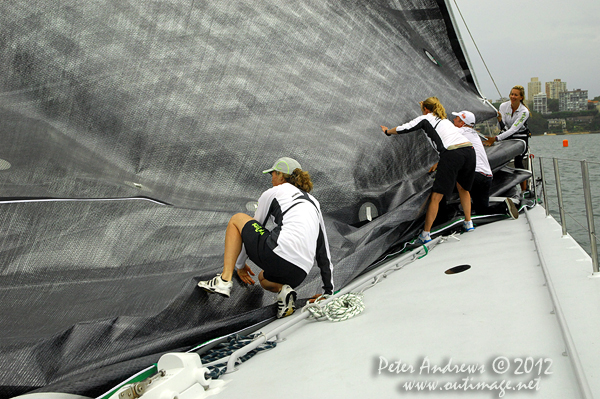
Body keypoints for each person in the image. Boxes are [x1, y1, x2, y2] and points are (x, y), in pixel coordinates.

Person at [197, 157, 334, 318]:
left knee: (237, 219)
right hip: (300, 272)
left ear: (281, 175)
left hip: (277, 255)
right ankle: (284, 291)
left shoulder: (274, 192)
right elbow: (323, 251)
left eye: (273, 174)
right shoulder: (314, 203)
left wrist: (240, 265)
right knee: (263, 277)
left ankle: (224, 280)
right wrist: (328, 292)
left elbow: (253, 227)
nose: (271, 179)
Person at [381, 97, 476, 244]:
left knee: (436, 197)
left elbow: (404, 128)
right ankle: (468, 223)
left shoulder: (425, 118)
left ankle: (425, 234)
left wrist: (387, 131)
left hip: (452, 154)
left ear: (426, 109)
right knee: (463, 188)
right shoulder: (446, 121)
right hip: (469, 150)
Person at [452, 110, 519, 219]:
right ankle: (504, 207)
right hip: (487, 176)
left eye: (456, 119)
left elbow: (441, 129)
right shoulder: (474, 134)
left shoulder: (461, 131)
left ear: (462, 123)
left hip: (474, 174)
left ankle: (446, 215)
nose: (453, 120)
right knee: (482, 210)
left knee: (443, 187)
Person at [484, 85, 530, 191]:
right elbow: (503, 127)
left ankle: (524, 190)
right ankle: (501, 186)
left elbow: (513, 129)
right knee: (499, 158)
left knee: (518, 161)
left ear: (521, 97)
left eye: (516, 95)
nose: (513, 97)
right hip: (506, 133)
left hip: (520, 137)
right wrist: (499, 120)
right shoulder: (504, 106)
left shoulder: (524, 112)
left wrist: (495, 138)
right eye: (512, 94)